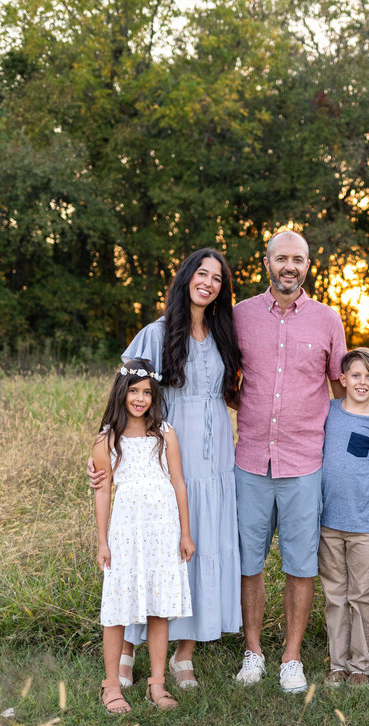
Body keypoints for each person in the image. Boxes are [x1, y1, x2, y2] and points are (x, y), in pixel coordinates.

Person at [87, 248, 243, 690]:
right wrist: (102, 453)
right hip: (165, 452)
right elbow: (125, 393)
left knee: (200, 545)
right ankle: (129, 651)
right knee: (151, 551)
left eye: (217, 278)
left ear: (222, 289)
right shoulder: (156, 333)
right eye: (201, 273)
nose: (208, 282)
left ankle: (183, 654)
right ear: (185, 278)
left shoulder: (221, 333)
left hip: (213, 460)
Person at [232, 229, 348, 693]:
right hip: (250, 461)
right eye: (281, 258)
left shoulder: (327, 320)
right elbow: (220, 374)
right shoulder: (239, 316)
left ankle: (292, 657)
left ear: (307, 266)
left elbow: (345, 387)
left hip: (304, 463)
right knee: (250, 562)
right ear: (266, 263)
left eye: (297, 259)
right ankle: (253, 652)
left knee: (301, 566)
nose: (289, 267)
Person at [92, 358, 196, 713]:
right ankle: (110, 686)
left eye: (146, 392)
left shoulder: (164, 433)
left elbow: (178, 482)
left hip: (162, 530)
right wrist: (102, 540)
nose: (140, 399)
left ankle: (157, 683)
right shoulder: (108, 439)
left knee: (159, 607)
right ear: (122, 393)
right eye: (133, 391)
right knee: (117, 607)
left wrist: (185, 533)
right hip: (125, 532)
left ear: (155, 396)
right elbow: (102, 490)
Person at [317, 347, 369, 687]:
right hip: (328, 522)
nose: (361, 382)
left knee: (362, 595)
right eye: (355, 376)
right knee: (335, 595)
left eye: (368, 377)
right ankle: (337, 664)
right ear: (343, 379)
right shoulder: (327, 412)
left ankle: (360, 666)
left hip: (365, 526)